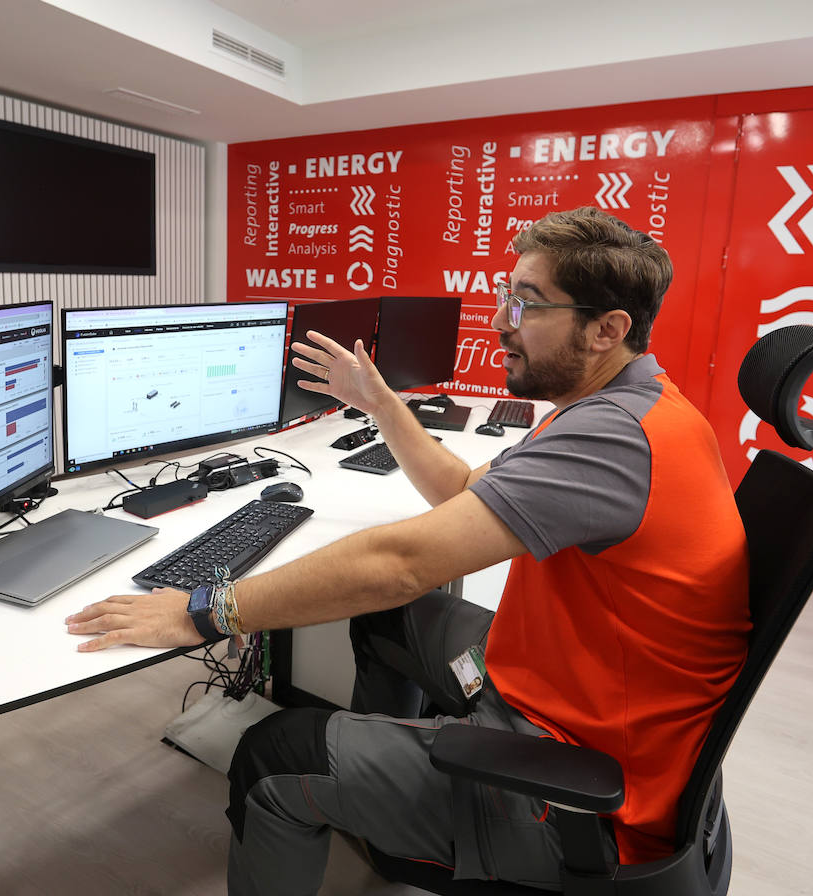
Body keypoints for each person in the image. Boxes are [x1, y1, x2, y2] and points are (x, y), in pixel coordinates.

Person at [65, 207, 750, 893]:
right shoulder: (637, 407)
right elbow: (460, 490)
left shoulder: (611, 440)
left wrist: (207, 611)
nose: (501, 323)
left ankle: (401, 791)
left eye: (527, 304)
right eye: (507, 297)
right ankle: (383, 790)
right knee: (389, 619)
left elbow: (400, 562)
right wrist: (381, 403)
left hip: (577, 787)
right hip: (579, 696)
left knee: (271, 757)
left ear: (608, 330)